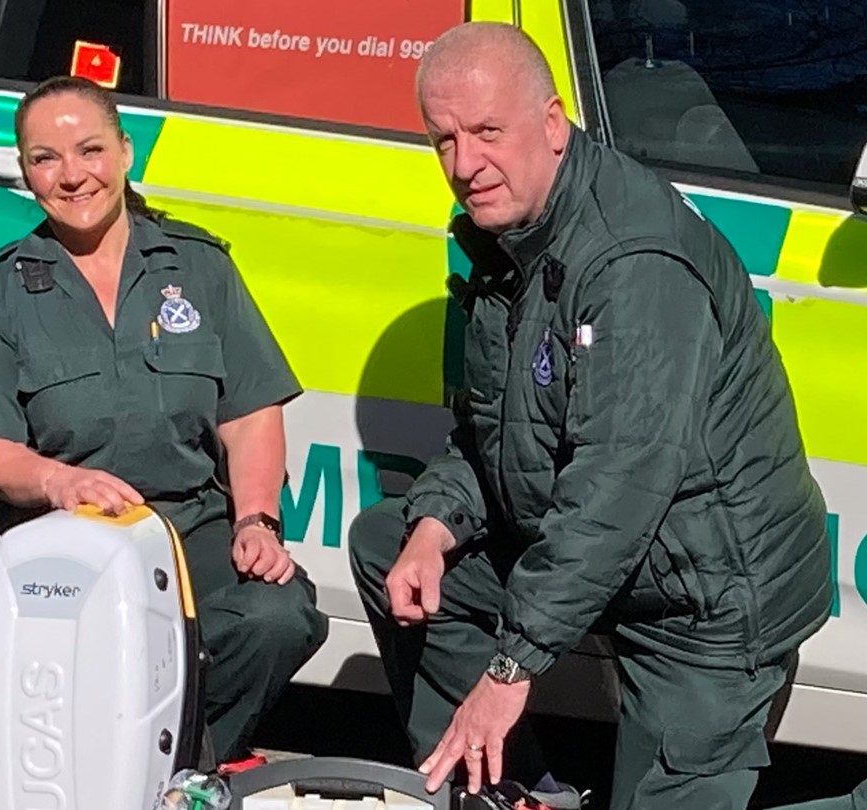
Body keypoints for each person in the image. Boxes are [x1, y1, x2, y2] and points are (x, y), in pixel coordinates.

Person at [348, 22, 832, 810]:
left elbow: (616, 488)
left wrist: (510, 672)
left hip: (704, 597)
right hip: (617, 561)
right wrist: (436, 526)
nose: (465, 166)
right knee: (390, 546)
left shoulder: (632, 263)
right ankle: (509, 796)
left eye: (488, 133)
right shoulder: (508, 238)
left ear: (551, 122)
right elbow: (490, 435)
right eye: (444, 141)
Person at [0, 75, 328, 770]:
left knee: (279, 616)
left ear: (125, 152)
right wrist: (57, 481)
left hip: (187, 530)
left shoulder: (199, 268)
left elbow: (250, 412)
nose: (72, 175)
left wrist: (257, 521)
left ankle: (178, 773)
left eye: (89, 150)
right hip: (61, 541)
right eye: (45, 159)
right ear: (24, 174)